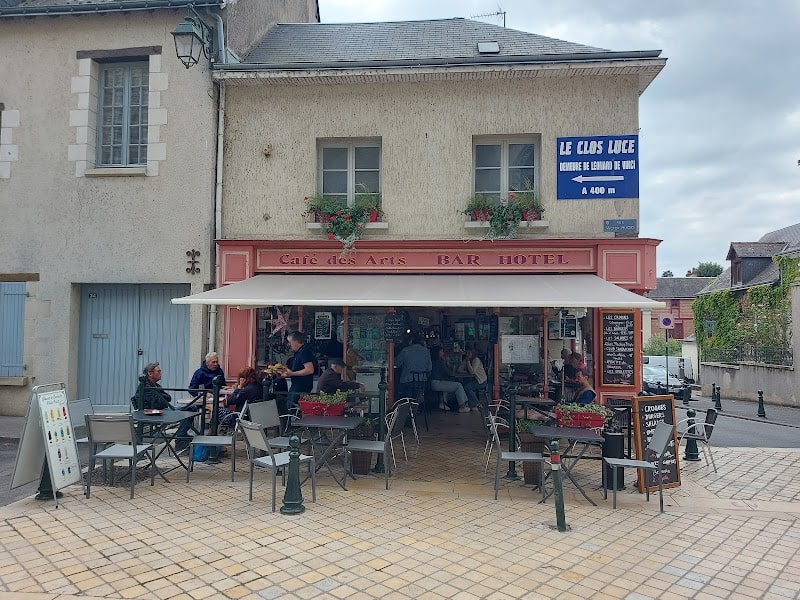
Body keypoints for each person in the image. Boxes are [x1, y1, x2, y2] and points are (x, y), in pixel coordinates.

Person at [218, 367, 263, 432]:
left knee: (217, 411)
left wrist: (239, 387)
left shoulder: (247, 390)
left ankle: (213, 433)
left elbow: (231, 401)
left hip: (240, 417)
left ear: (243, 379)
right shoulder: (259, 386)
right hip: (253, 417)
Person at [280, 331, 317, 409]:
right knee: (290, 405)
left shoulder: (304, 352)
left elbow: (310, 370)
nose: (289, 344)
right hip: (297, 384)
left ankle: (294, 420)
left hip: (302, 386)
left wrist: (292, 374)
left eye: (290, 342)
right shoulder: (298, 352)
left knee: (292, 407)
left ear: (296, 341)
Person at [428, 346, 469, 413]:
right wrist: (447, 363)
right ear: (437, 353)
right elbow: (449, 373)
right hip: (437, 383)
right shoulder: (440, 362)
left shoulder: (434, 361)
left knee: (447, 384)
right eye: (441, 351)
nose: (443, 353)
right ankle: (462, 406)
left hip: (434, 382)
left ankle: (443, 403)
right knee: (458, 385)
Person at [394, 332, 431, 399]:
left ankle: (408, 405)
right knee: (418, 393)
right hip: (421, 381)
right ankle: (417, 404)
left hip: (407, 381)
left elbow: (396, 363)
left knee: (402, 388)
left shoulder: (405, 350)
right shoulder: (426, 351)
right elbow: (429, 368)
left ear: (411, 341)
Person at [459, 346, 487, 411]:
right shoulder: (467, 359)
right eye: (466, 353)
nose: (467, 354)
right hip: (475, 379)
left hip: (481, 381)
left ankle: (476, 404)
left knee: (467, 387)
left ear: (472, 353)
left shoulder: (476, 360)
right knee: (463, 385)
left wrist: (468, 362)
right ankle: (469, 403)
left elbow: (472, 372)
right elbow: (459, 369)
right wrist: (465, 368)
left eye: (469, 353)